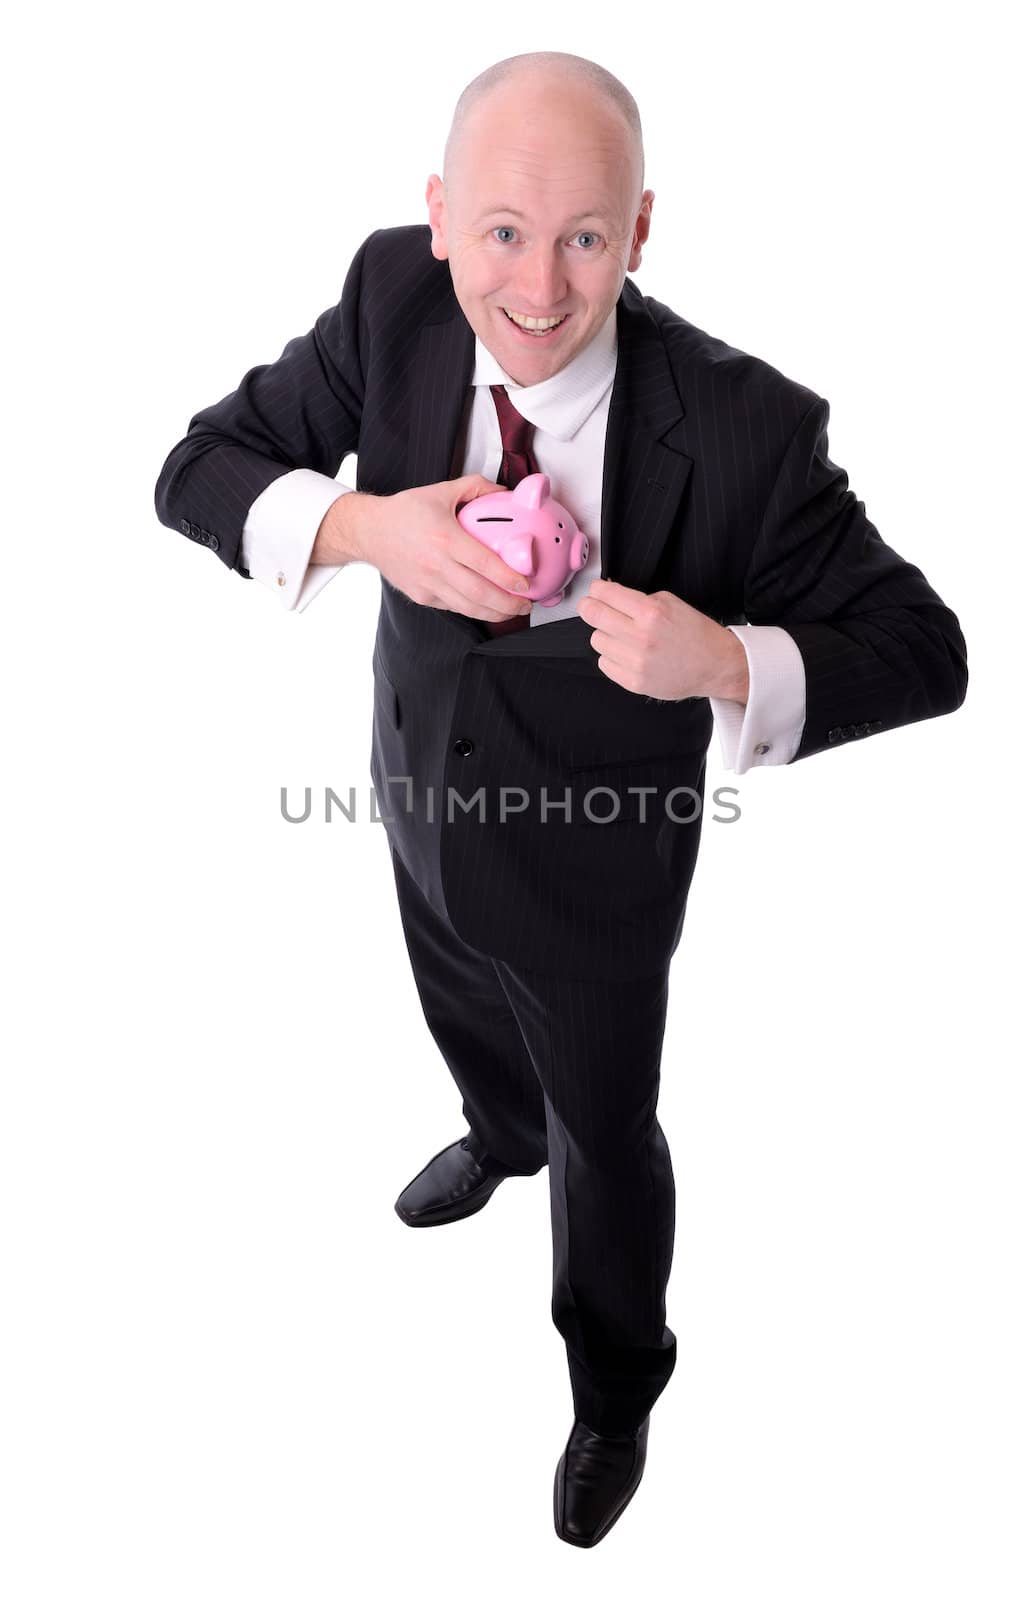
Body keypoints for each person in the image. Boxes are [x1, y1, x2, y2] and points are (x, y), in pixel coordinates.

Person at [153, 50, 968, 1548]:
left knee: (608, 1130)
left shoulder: (745, 429)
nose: (537, 284)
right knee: (455, 983)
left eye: (584, 235)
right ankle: (492, 1123)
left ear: (640, 232)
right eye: (504, 232)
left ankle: (616, 1377)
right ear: (440, 217)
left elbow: (931, 654)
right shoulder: (389, 297)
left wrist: (724, 657)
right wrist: (355, 528)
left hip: (598, 866)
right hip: (414, 779)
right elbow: (197, 467)